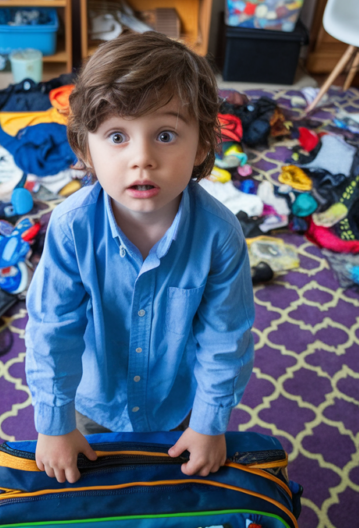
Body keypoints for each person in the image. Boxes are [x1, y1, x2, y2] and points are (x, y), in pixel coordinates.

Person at [25, 31, 255, 484]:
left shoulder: (220, 235)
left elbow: (225, 338)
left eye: (165, 134)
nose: (142, 158)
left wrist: (210, 422)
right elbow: (52, 329)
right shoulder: (71, 228)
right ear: (85, 146)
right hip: (94, 403)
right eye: (116, 136)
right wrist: (55, 424)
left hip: (179, 403)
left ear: (203, 145)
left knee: (171, 499)